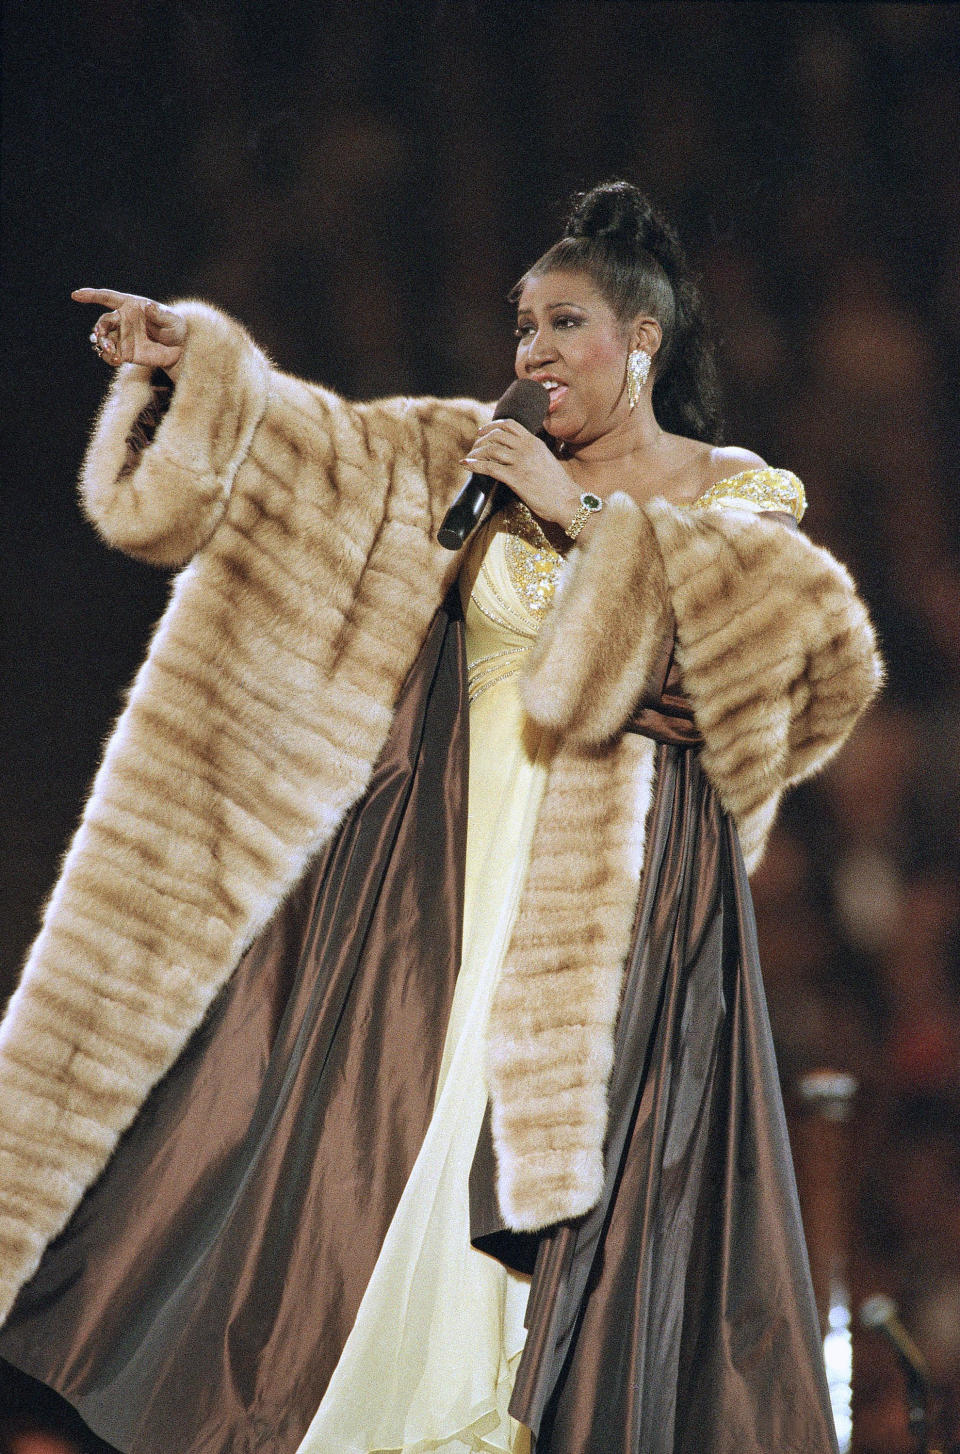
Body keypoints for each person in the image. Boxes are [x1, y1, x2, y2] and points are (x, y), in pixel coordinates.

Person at [0, 182, 882, 1453]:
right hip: (443, 887)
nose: (530, 352)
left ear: (642, 340)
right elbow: (314, 451)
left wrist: (577, 516)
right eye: (521, 325)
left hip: (612, 919)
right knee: (381, 1179)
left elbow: (780, 650)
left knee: (550, 1235)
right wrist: (197, 365)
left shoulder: (733, 489)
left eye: (564, 323)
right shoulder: (469, 454)